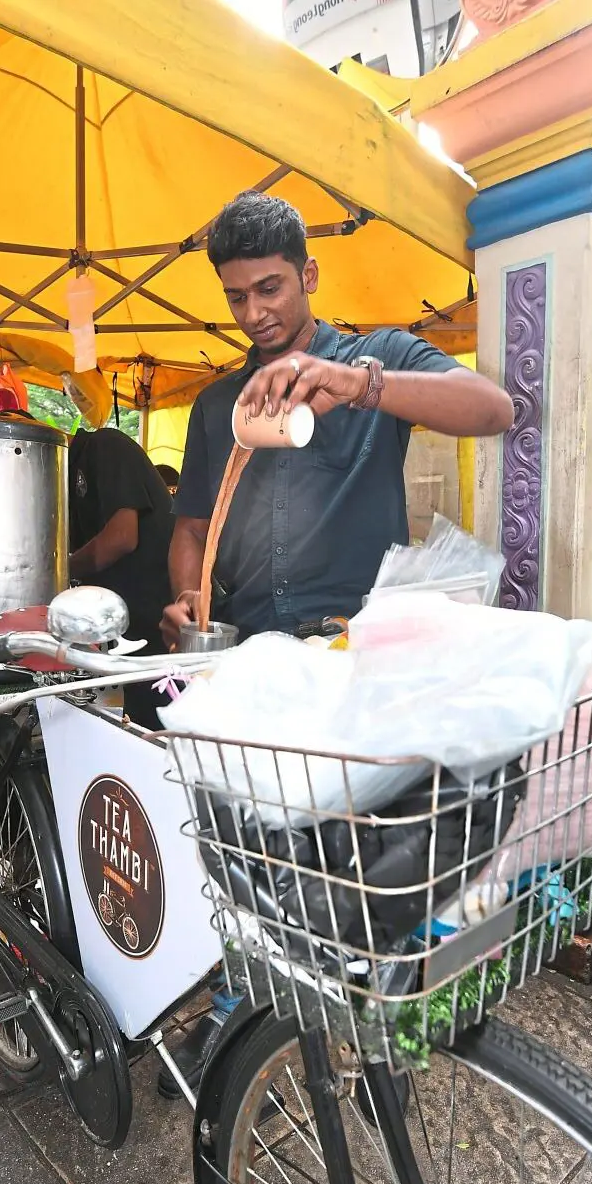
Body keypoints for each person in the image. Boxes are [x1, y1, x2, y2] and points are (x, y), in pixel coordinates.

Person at [156, 191, 513, 1098]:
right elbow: (191, 527)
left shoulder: (375, 358)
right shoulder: (218, 405)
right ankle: (245, 1011)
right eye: (236, 296)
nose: (254, 313)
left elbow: (493, 407)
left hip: (356, 657)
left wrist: (359, 385)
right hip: (251, 663)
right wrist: (188, 596)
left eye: (270, 288)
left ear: (309, 274)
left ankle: (372, 1022)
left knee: (361, 860)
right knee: (255, 859)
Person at [67, 426, 174, 729]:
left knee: (156, 730)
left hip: (159, 621)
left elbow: (122, 537)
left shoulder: (105, 446)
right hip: (129, 630)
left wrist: (61, 569)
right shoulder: (68, 480)